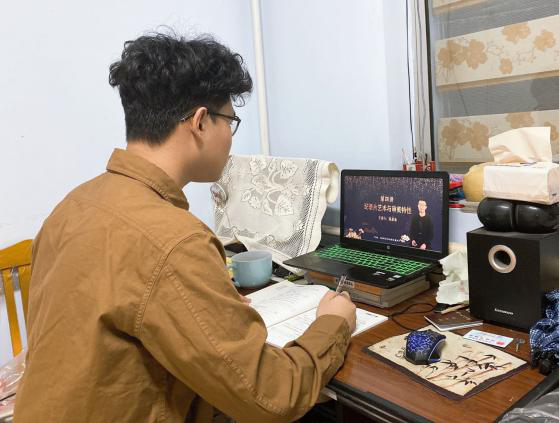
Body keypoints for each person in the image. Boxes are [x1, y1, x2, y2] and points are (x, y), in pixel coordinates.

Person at [14, 32, 357, 423]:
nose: (230, 137)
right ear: (200, 122)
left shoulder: (73, 206)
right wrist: (333, 323)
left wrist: (208, 304)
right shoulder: (175, 241)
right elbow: (273, 395)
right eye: (230, 121)